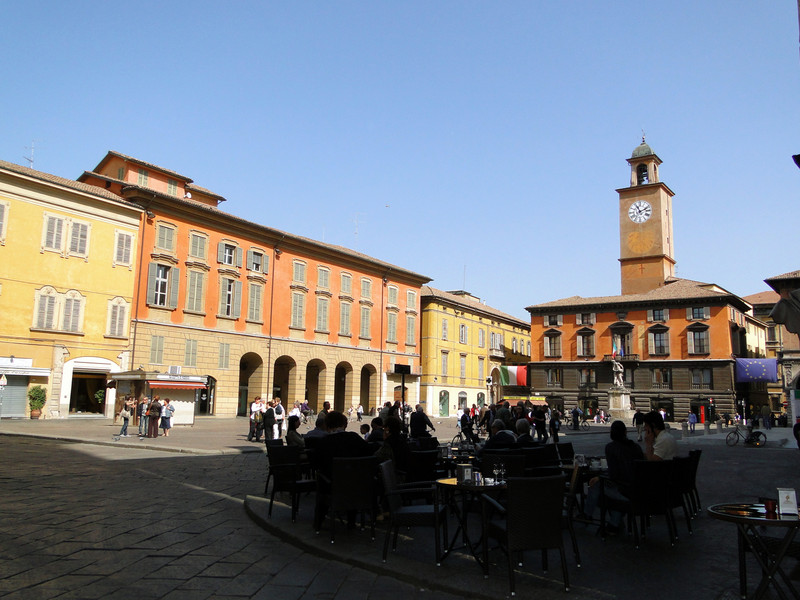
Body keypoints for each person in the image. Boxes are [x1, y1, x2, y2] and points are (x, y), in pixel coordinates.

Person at [311, 410, 373, 531]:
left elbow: (315, 464)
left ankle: (318, 522)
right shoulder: (354, 438)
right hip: (356, 487)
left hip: (331, 486)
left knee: (322, 482)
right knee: (350, 481)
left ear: (327, 425)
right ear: (344, 424)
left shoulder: (323, 442)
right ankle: (351, 521)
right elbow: (369, 454)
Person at [582, 420, 644, 534]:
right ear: (625, 432)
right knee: (607, 487)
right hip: (639, 490)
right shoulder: (636, 447)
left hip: (625, 491)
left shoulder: (611, 447)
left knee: (597, 486)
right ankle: (614, 523)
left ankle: (587, 515)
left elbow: (614, 475)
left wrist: (600, 477)